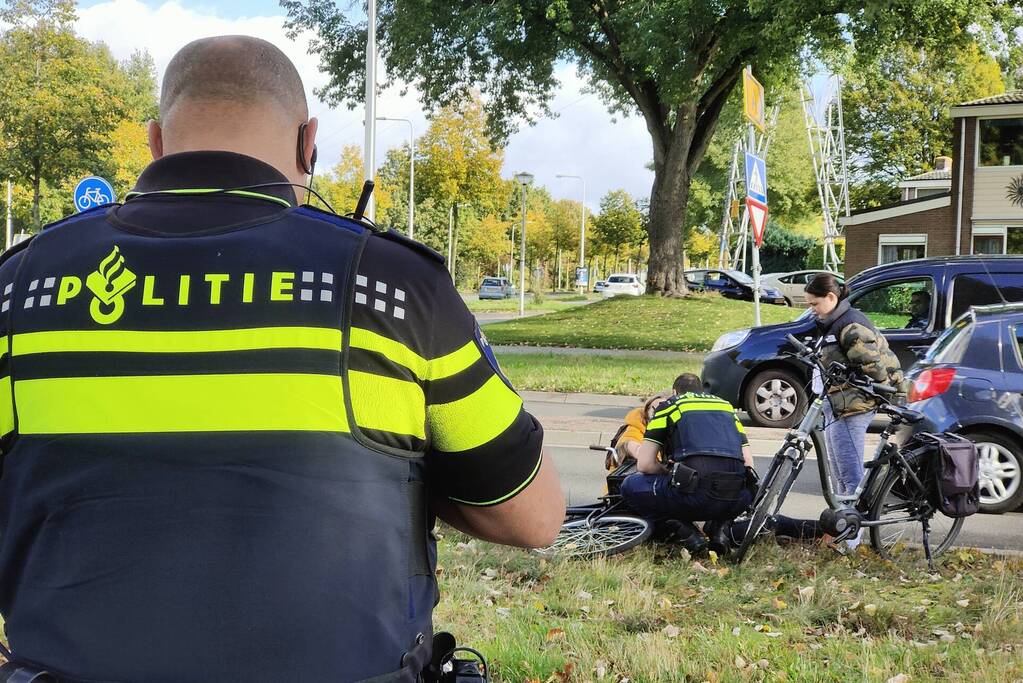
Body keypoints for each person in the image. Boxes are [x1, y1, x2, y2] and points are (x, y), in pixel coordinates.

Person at [0, 36, 564, 683]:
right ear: (308, 144)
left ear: (155, 142)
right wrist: (405, 473)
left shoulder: (19, 289)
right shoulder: (391, 287)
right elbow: (535, 513)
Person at [805, 273, 903, 547]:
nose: (811, 309)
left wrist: (884, 391)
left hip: (851, 408)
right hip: (836, 405)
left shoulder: (849, 325)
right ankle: (843, 530)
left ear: (831, 298)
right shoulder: (832, 322)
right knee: (837, 474)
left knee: (849, 477)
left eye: (814, 303)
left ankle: (852, 539)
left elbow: (874, 367)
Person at [620, 374, 755, 554]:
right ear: (702, 391)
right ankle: (720, 529)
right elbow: (748, 463)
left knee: (630, 485)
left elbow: (644, 464)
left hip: (695, 497)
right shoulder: (726, 407)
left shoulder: (670, 405)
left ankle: (684, 531)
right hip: (736, 498)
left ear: (675, 392)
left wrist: (668, 471)